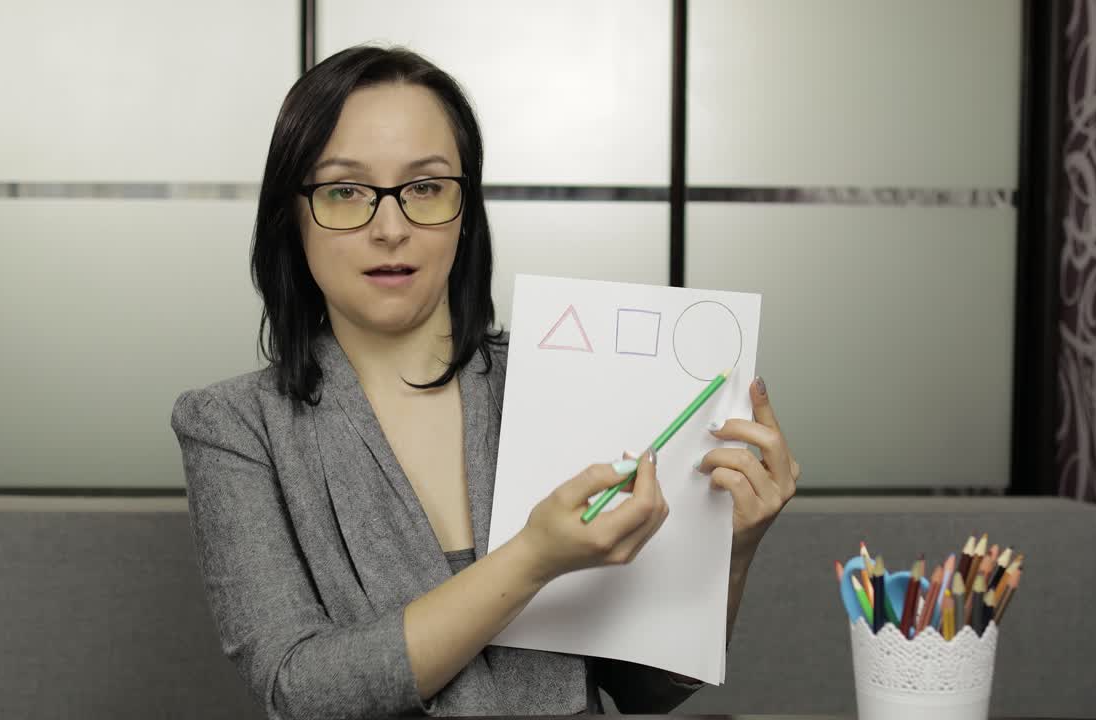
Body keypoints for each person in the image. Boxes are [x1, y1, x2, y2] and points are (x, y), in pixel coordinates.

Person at [170, 45, 799, 720]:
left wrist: (725, 551)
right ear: (292, 217)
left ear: (465, 209)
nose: (391, 227)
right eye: (345, 191)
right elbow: (300, 690)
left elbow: (644, 691)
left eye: (425, 188)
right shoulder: (233, 425)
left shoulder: (559, 382)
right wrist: (532, 558)